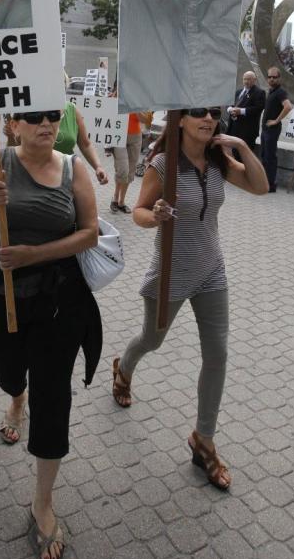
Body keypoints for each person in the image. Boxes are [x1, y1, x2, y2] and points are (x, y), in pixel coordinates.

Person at [0, 110, 101, 559]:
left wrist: (35, 253)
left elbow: (89, 232)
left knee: (55, 397)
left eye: (53, 116)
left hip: (56, 301)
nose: (46, 124)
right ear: (13, 125)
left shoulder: (74, 169)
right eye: (34, 117)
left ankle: (42, 503)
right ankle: (15, 395)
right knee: (9, 370)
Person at [112, 107, 268, 490]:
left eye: (214, 114)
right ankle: (123, 368)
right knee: (153, 339)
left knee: (218, 354)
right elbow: (139, 212)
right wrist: (157, 216)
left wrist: (242, 145)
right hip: (171, 273)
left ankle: (204, 440)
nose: (208, 119)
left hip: (212, 271)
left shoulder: (219, 162)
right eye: (198, 113)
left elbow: (261, 187)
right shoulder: (163, 164)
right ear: (180, 119)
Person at [4, 101, 108, 185]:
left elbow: (86, 144)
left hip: (65, 176)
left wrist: (98, 166)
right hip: (28, 175)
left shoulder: (71, 109)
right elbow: (15, 149)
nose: (45, 123)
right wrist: (11, 135)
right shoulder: (28, 108)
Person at [110, 111, 151, 213]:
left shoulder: (140, 100)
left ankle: (121, 202)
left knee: (130, 171)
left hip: (135, 137)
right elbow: (108, 112)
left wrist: (136, 109)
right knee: (122, 169)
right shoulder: (117, 95)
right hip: (118, 134)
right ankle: (115, 197)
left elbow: (146, 121)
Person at [260, 67, 293, 192]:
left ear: (279, 78)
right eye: (270, 77)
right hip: (265, 130)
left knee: (270, 157)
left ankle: (271, 184)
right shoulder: (272, 91)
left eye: (274, 77)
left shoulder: (280, 92)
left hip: (272, 130)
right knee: (264, 155)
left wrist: (276, 120)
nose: (272, 79)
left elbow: (288, 107)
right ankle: (264, 182)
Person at [226, 71, 265, 152]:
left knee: (243, 158)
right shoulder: (238, 92)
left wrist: (240, 111)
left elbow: (258, 108)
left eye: (249, 79)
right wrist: (230, 109)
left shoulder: (259, 93)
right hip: (233, 129)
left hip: (247, 132)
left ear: (254, 80)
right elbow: (229, 103)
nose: (246, 81)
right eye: (245, 79)